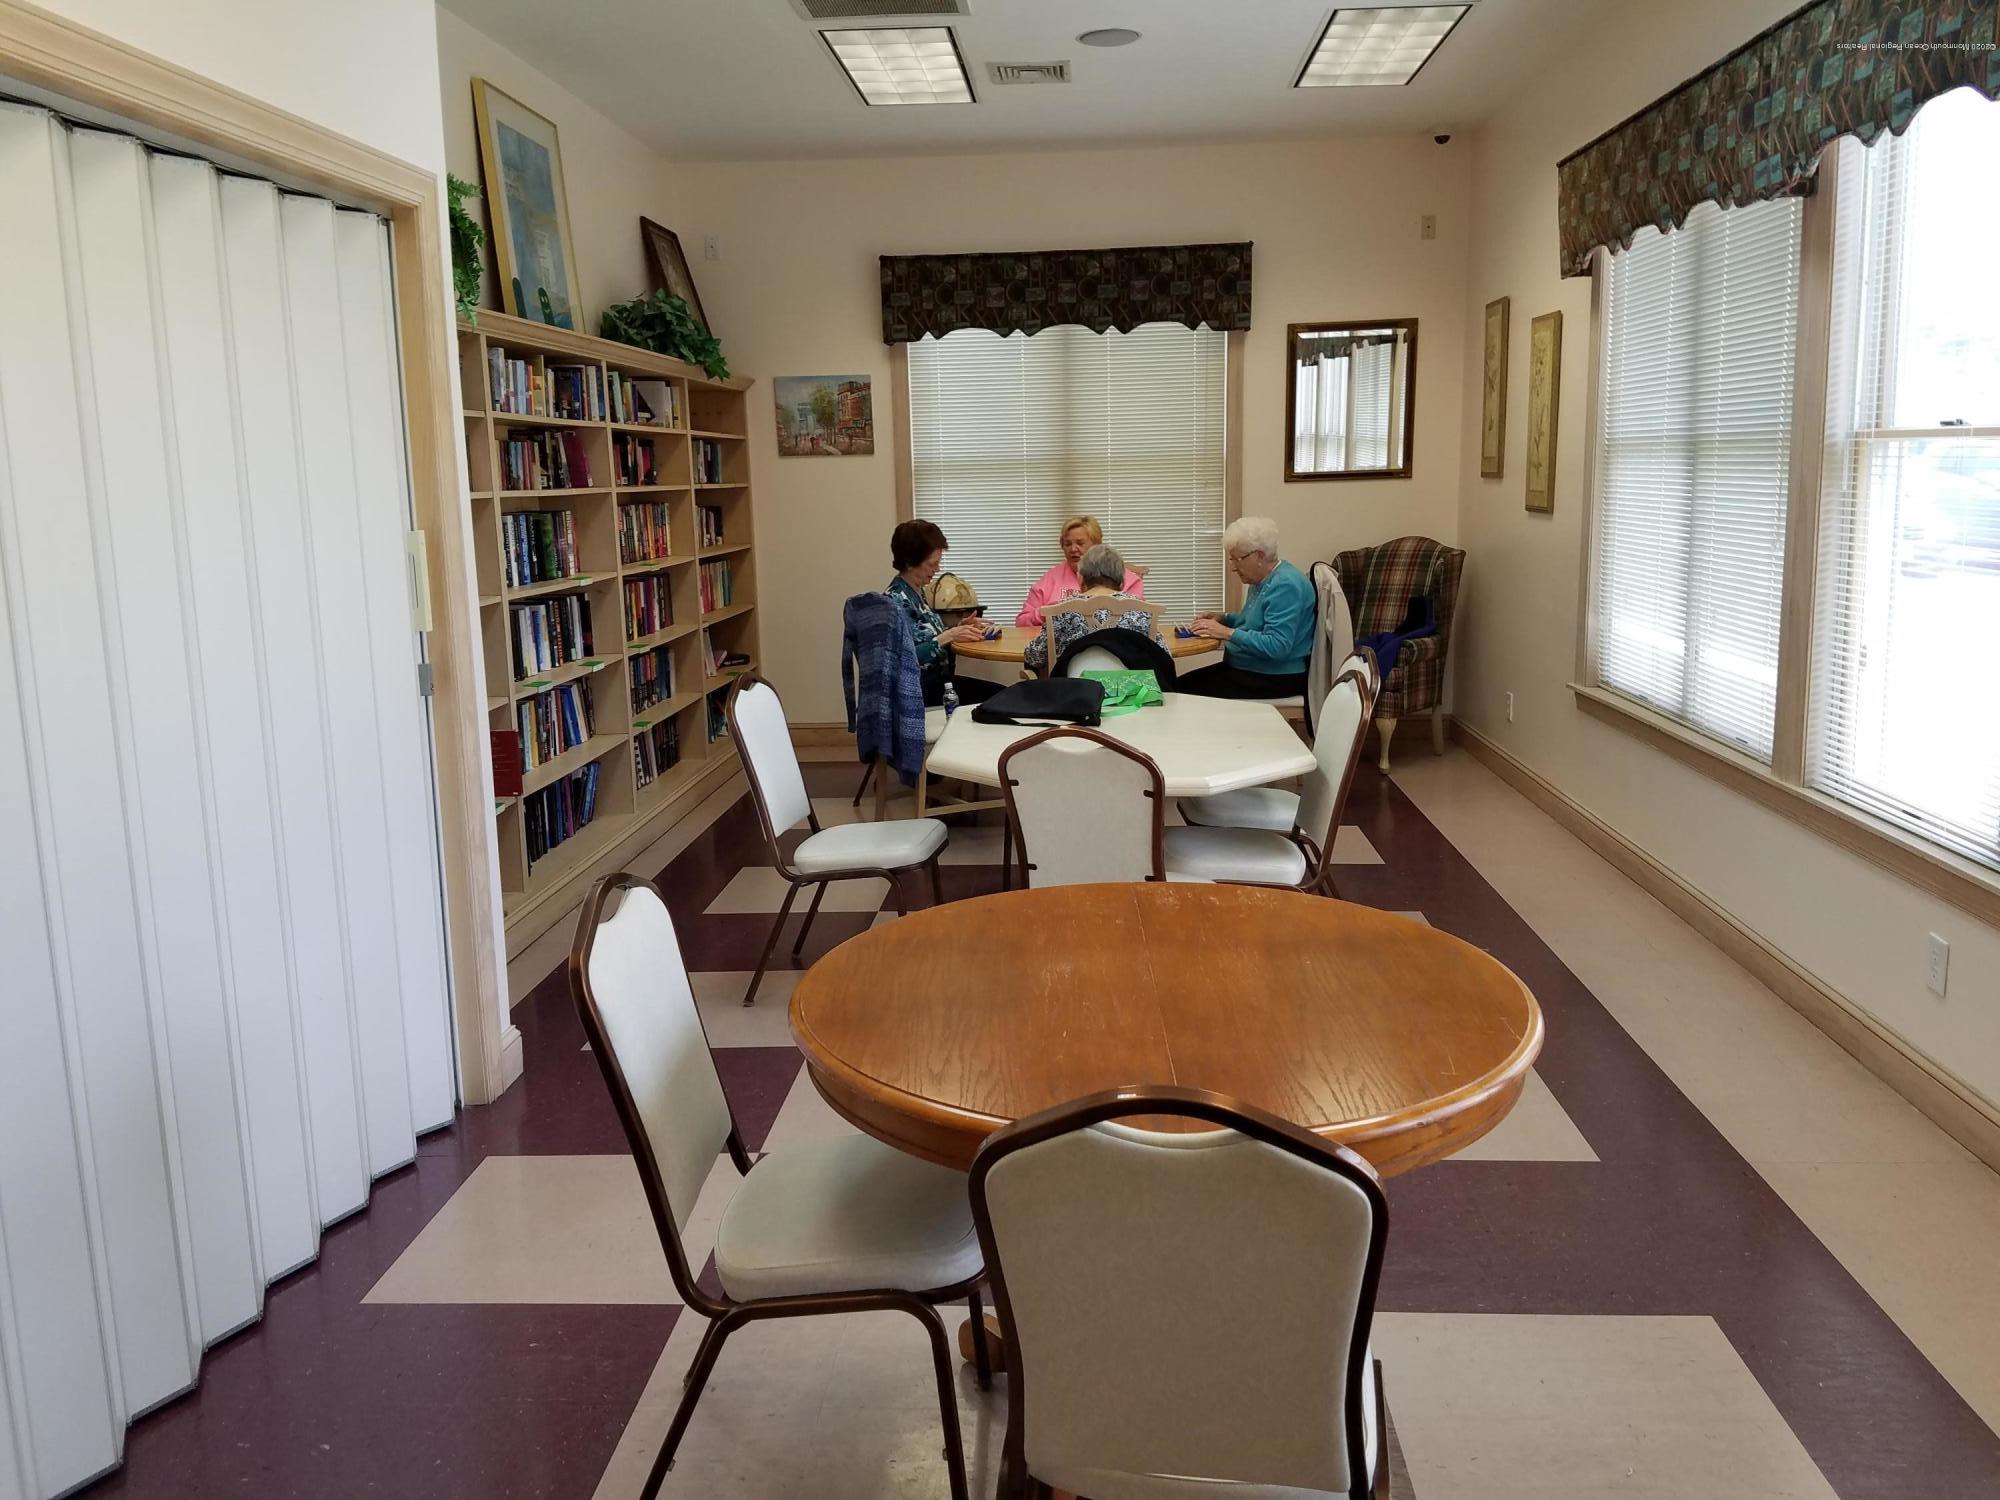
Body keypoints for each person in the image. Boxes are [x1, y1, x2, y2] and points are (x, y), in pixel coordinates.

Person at [1179, 516, 1316, 699]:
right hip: (1250, 670)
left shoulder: (1286, 585)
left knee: (1177, 692)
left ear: (1258, 555)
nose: (1233, 567)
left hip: (1274, 677)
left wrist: (1226, 632)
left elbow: (1277, 646)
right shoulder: (1261, 580)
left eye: (1237, 559)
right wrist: (1224, 618)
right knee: (1174, 685)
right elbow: (1256, 622)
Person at [885, 519, 1005, 707]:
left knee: (1004, 695)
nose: (937, 569)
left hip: (942, 685)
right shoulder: (895, 601)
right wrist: (947, 636)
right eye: (932, 564)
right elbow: (900, 659)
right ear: (910, 562)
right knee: (1001, 698)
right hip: (923, 694)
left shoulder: (917, 593)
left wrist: (960, 628)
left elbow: (928, 636)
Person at [1022, 544, 1156, 675]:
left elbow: (1035, 657)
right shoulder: (1142, 610)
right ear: (1122, 582)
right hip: (1133, 695)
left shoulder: (1061, 610)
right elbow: (1162, 655)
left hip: (1074, 694)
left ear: (1082, 579)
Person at [1016, 515, 1146, 628]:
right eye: (1067, 544)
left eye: (1080, 543)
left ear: (1097, 544)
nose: (1073, 549)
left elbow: (1141, 622)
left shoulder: (1126, 579)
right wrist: (1048, 612)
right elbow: (1022, 622)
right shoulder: (1049, 579)